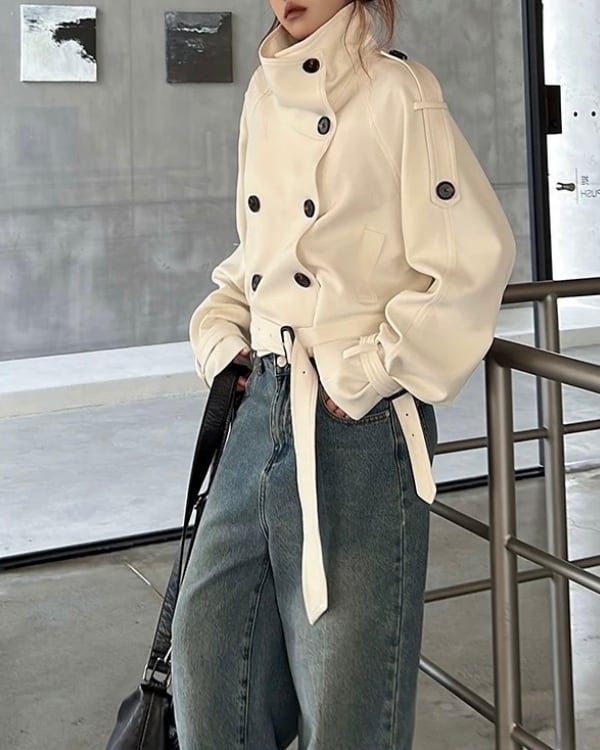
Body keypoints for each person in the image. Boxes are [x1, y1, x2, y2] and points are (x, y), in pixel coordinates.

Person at [171, 1, 516, 748]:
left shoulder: (400, 92)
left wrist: (363, 374)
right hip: (260, 402)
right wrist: (221, 331)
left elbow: (472, 259)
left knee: (344, 707)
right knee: (206, 662)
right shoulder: (263, 93)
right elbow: (258, 253)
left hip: (356, 428)